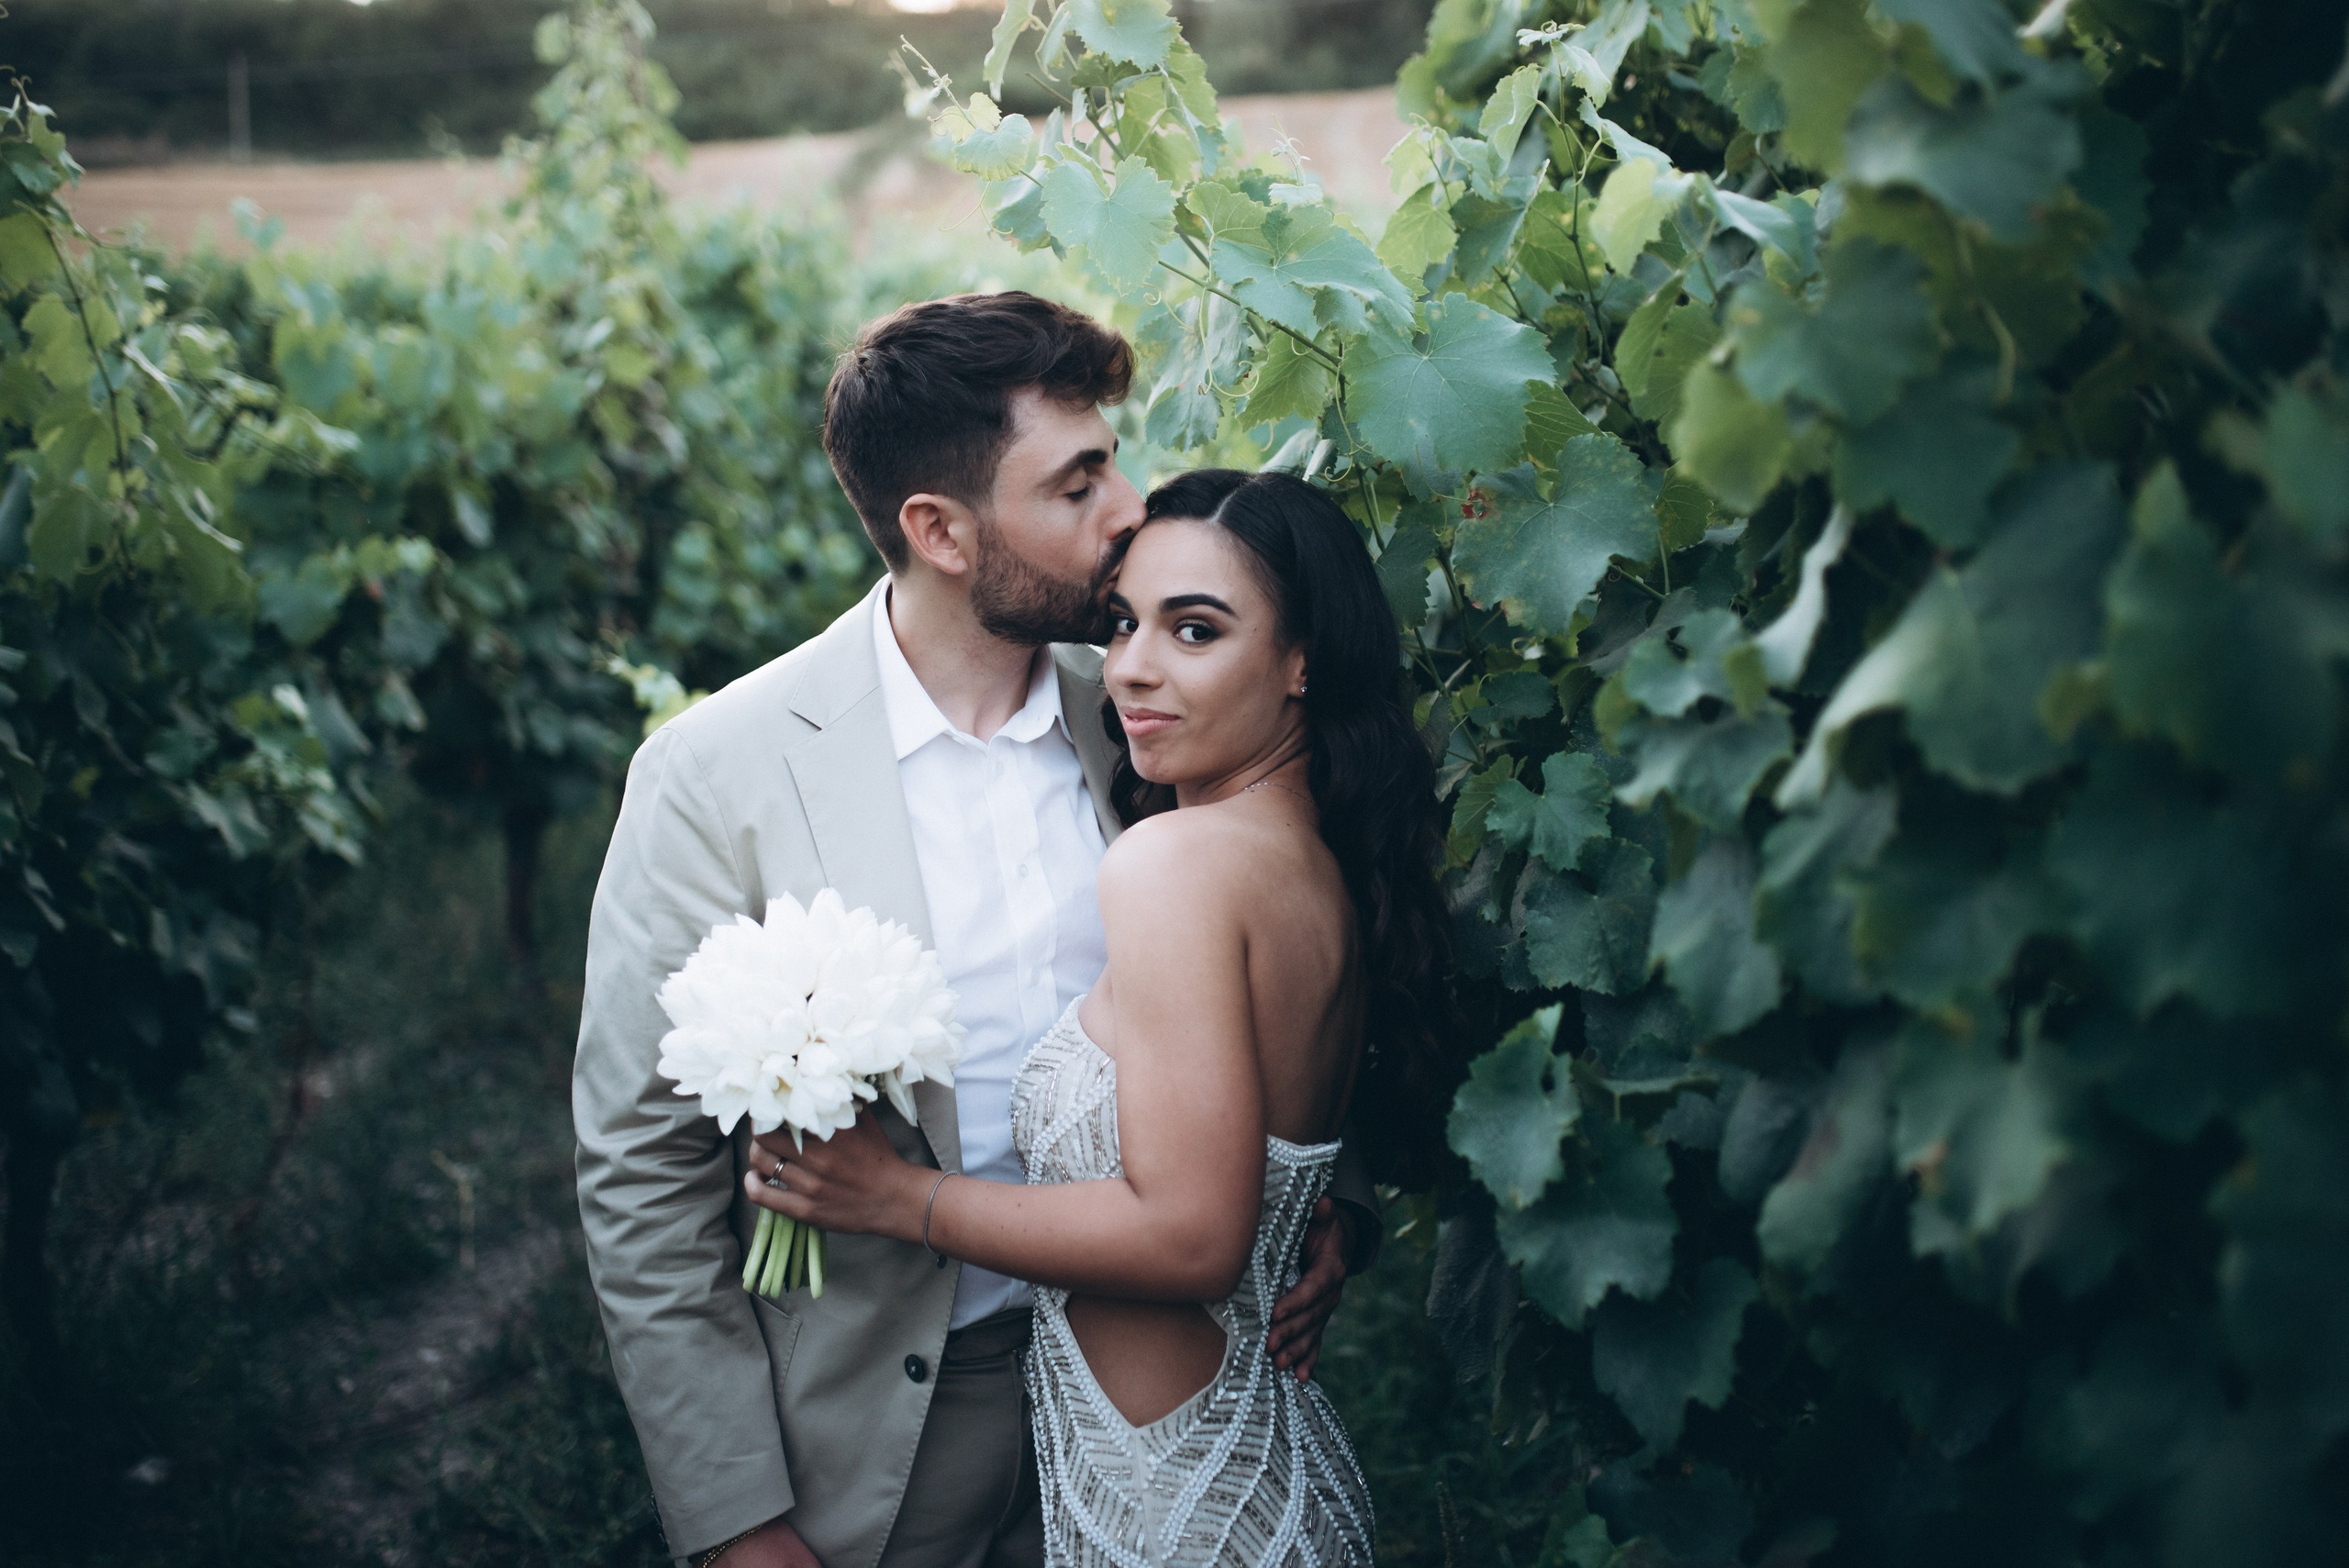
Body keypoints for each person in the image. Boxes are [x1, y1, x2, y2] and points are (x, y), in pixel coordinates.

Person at [573, 295, 1381, 1568]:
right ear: (940, 531)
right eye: (1076, 484)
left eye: (1110, 460)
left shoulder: (1150, 728)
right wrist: (734, 1521)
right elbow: (640, 1172)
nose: (1126, 511)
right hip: (874, 1438)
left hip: (1146, 1395)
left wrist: (1322, 1211)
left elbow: (1278, 981)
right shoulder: (716, 773)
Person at [746, 469, 1457, 1567]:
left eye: (1195, 628)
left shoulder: (1173, 863)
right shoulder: (1309, 860)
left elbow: (1193, 1236)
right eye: (1123, 620)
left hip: (1181, 1515)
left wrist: (902, 1196)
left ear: (1303, 657)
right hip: (1242, 1474)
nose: (1130, 664)